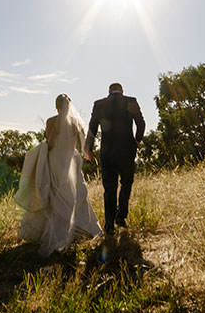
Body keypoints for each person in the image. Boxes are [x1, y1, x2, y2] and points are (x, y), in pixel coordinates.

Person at [15, 94, 102, 256]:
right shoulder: (76, 122)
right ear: (70, 106)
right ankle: (82, 229)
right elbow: (84, 147)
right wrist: (89, 154)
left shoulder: (51, 121)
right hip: (70, 160)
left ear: (56, 106)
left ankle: (54, 230)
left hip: (55, 160)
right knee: (77, 193)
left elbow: (50, 142)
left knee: (55, 194)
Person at [85, 82, 146, 234]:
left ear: (109, 91)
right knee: (126, 183)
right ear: (122, 90)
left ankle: (109, 225)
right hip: (127, 151)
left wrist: (89, 148)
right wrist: (137, 140)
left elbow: (92, 128)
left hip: (107, 152)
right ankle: (121, 217)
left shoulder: (99, 104)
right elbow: (141, 123)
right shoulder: (130, 101)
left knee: (109, 188)